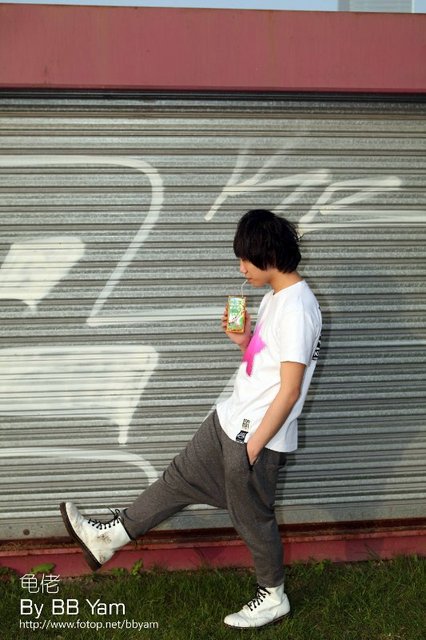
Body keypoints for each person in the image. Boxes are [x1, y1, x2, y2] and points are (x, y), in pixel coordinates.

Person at [60, 209, 322, 629]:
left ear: (269, 255)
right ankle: (107, 538)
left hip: (254, 437)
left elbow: (290, 390)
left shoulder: (298, 310)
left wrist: (253, 448)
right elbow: (264, 367)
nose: (241, 268)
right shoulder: (276, 298)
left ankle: (273, 596)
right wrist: (245, 342)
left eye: (245, 259)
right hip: (230, 417)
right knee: (177, 480)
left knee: (253, 520)